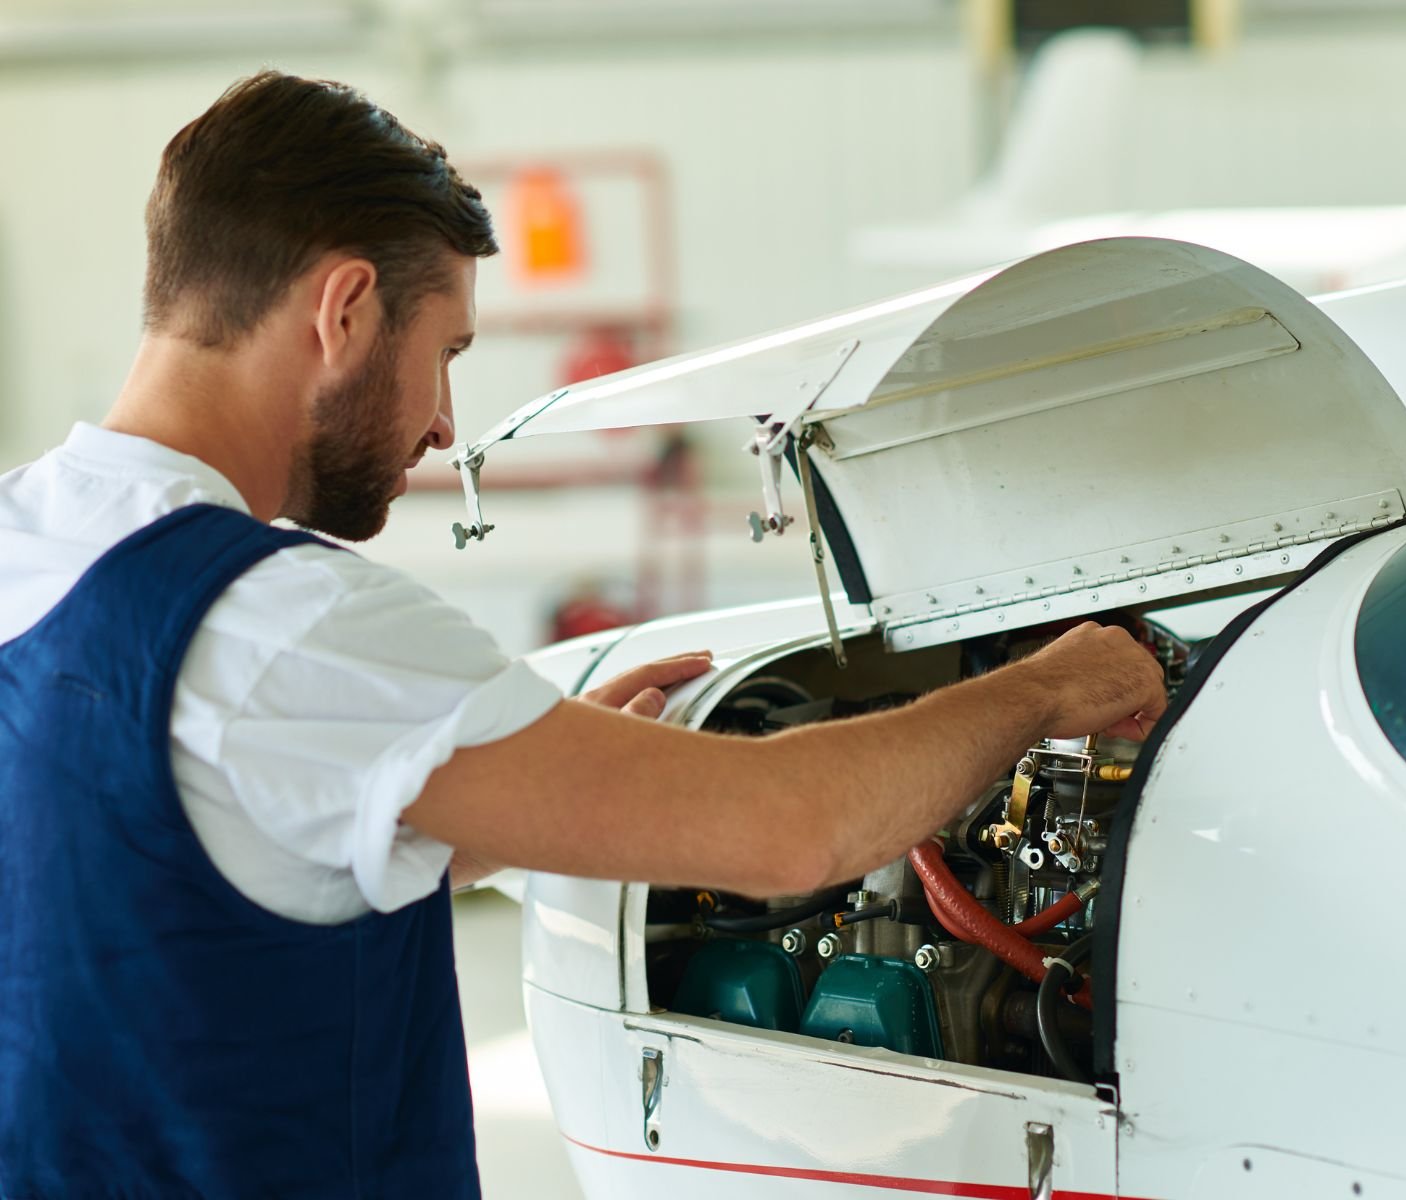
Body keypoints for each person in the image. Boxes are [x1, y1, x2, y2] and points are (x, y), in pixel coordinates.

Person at [0, 72, 1167, 1198]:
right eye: (447, 353)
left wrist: (544, 779)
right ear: (344, 309)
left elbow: (152, 867)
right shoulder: (289, 620)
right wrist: (1047, 688)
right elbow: (789, 835)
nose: (444, 424)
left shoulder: (24, 538)